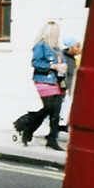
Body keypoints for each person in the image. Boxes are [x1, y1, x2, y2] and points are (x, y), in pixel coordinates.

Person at [29, 21, 67, 151]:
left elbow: (63, 62)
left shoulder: (58, 48)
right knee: (49, 108)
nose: (57, 34)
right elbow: (35, 63)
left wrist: (64, 66)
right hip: (44, 80)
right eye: (55, 32)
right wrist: (52, 66)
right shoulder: (41, 46)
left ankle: (52, 139)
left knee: (55, 112)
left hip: (58, 82)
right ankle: (26, 128)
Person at [58, 36, 82, 130]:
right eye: (77, 46)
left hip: (71, 90)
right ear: (71, 47)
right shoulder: (63, 58)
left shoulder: (72, 58)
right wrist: (64, 89)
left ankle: (63, 125)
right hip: (65, 90)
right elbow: (60, 75)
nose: (80, 48)